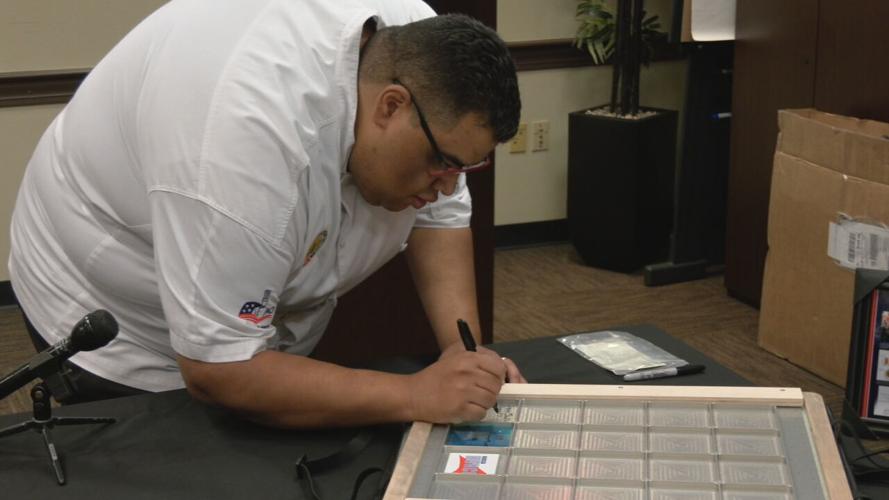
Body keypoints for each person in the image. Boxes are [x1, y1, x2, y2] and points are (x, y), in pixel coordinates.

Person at [8, 0, 526, 428]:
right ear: (390, 107)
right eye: (441, 164)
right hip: (116, 314)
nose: (447, 187)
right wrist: (415, 396)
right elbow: (218, 370)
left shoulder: (419, 48)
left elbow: (442, 216)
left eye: (465, 167)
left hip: (235, 260)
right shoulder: (238, 143)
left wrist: (462, 353)